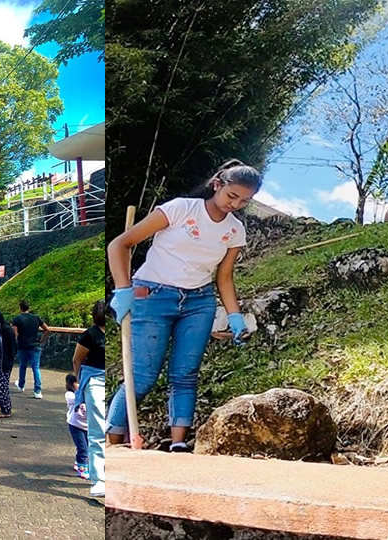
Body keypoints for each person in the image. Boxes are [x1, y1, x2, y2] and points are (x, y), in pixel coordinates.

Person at [107, 159, 257, 452]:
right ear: (217, 184)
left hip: (198, 302)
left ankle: (178, 444)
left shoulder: (235, 231)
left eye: (244, 201)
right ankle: (112, 444)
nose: (235, 204)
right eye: (232, 195)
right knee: (142, 376)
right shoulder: (179, 209)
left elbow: (224, 278)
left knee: (185, 373)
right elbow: (119, 244)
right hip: (152, 295)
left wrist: (235, 315)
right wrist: (123, 289)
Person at [74, 300, 106, 498]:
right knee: (97, 431)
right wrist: (78, 383)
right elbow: (77, 360)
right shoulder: (90, 335)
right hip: (94, 380)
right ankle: (98, 480)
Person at [12, 300, 50, 399]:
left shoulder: (17, 319)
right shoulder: (36, 318)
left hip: (22, 346)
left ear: (20, 307)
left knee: (22, 366)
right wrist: (42, 340)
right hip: (35, 345)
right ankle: (37, 391)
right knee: (36, 368)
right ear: (29, 307)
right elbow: (47, 329)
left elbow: (15, 334)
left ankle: (21, 385)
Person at [64, 374, 88, 479]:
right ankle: (82, 468)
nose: (81, 385)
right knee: (82, 448)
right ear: (71, 384)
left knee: (88, 447)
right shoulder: (70, 395)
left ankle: (78, 462)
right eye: (78, 383)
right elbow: (78, 398)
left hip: (88, 426)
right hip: (76, 425)